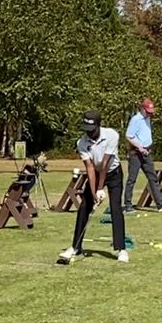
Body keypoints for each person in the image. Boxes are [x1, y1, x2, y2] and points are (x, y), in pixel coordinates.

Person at [60, 111, 129, 263]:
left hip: (113, 173)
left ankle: (121, 249)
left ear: (98, 125)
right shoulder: (82, 143)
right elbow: (90, 168)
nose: (89, 134)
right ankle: (75, 247)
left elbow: (104, 164)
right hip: (96, 174)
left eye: (91, 130)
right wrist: (94, 192)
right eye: (86, 130)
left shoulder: (112, 135)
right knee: (85, 206)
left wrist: (100, 189)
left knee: (116, 208)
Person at [123, 98, 162, 212]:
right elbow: (129, 136)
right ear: (142, 109)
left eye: (151, 112)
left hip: (147, 152)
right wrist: (140, 147)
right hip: (136, 153)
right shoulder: (136, 119)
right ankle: (127, 205)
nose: (150, 114)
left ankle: (161, 204)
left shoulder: (148, 118)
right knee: (132, 179)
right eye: (148, 111)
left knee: (153, 178)